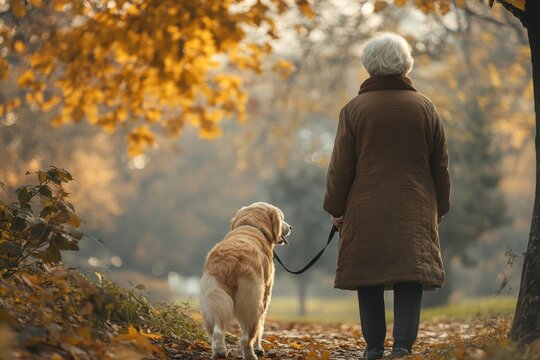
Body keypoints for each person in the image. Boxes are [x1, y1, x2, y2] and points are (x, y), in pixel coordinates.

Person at [323, 32, 451, 360]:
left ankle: (373, 347)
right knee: (411, 274)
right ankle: (403, 347)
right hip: (416, 205)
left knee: (369, 274)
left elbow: (341, 167)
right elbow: (440, 164)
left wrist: (336, 208)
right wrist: (440, 207)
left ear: (369, 66)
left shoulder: (353, 110)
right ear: (405, 64)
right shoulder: (425, 107)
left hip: (365, 207)